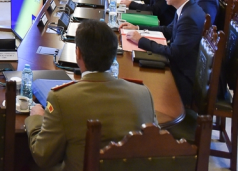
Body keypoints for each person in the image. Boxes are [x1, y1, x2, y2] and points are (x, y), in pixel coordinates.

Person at [25, 20, 156, 171]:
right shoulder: (143, 94)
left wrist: (36, 119)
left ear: (78, 53)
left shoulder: (62, 99)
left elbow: (42, 156)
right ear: (114, 55)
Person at [122, 0, 206, 106]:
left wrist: (141, 41)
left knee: (139, 81)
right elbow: (168, 30)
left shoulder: (189, 17)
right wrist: (137, 28)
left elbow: (173, 53)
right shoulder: (187, 8)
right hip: (181, 65)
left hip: (184, 76)